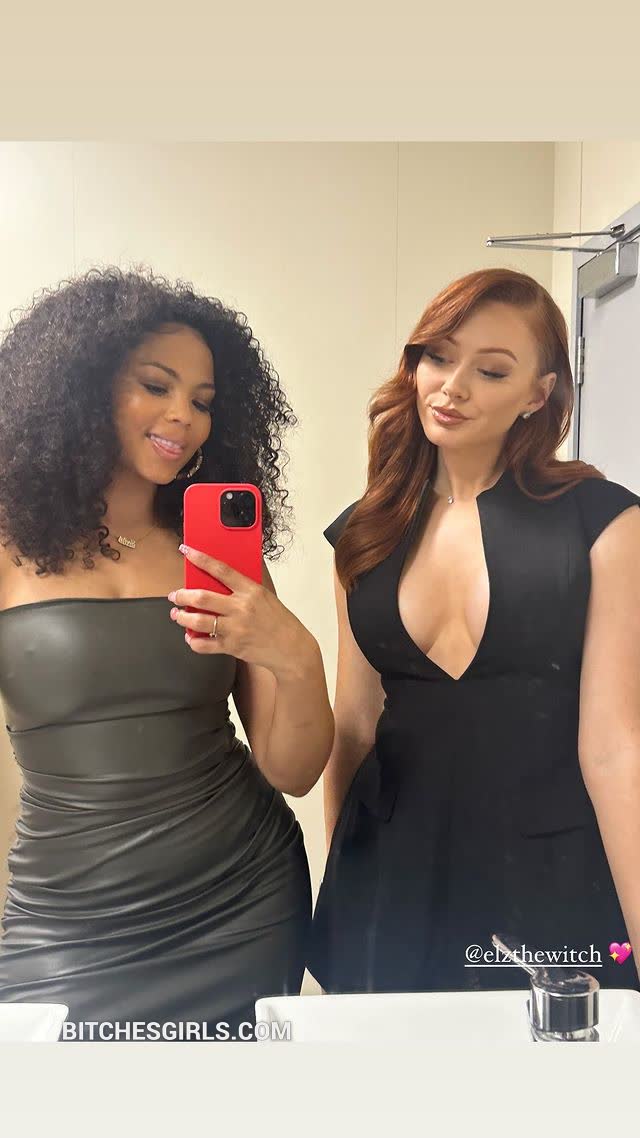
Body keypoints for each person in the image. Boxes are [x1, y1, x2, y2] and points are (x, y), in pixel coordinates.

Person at [0, 266, 333, 1040]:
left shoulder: (216, 556)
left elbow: (293, 770)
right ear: (82, 389)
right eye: (156, 385)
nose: (183, 415)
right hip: (63, 919)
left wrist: (297, 657)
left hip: (240, 898)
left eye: (203, 401)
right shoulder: (9, 542)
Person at [308, 266, 640, 996]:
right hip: (389, 873)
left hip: (551, 875)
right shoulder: (364, 534)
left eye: (491, 371)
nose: (452, 387)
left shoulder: (605, 522)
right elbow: (354, 725)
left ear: (538, 395)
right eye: (438, 356)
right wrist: (345, 891)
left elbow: (615, 748)